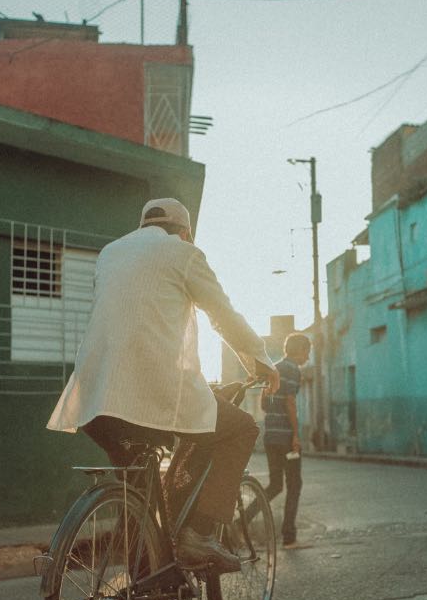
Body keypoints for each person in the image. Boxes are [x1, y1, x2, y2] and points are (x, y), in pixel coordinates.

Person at [46, 197, 279, 574]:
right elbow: (222, 314)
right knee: (239, 429)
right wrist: (260, 360)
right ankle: (199, 534)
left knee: (138, 491)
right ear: (185, 232)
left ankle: (147, 585)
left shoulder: (110, 253)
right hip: (153, 392)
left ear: (143, 226)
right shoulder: (183, 253)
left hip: (95, 399)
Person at [261, 333, 311, 548]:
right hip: (286, 438)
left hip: (270, 436)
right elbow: (290, 402)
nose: (308, 357)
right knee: (294, 484)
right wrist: (296, 435)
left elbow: (264, 404)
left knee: (275, 485)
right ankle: (289, 537)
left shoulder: (274, 368)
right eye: (307, 352)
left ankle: (239, 522)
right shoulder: (292, 370)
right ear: (299, 350)